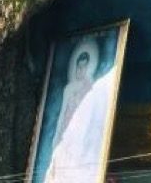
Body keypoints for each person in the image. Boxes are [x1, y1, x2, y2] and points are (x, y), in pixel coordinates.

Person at [41, 32, 118, 183]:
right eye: (78, 67)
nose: (80, 71)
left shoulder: (92, 89)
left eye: (84, 67)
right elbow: (63, 113)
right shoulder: (68, 89)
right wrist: (58, 137)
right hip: (67, 132)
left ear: (89, 67)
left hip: (84, 134)